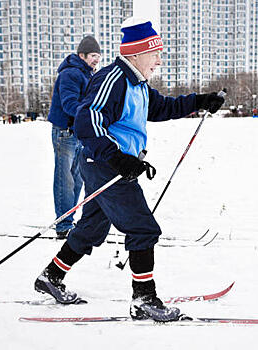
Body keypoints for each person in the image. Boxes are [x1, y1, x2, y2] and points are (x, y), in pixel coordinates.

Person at [34, 18, 225, 322]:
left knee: (91, 228)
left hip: (108, 164)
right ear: (136, 54)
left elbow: (163, 108)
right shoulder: (114, 80)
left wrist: (201, 101)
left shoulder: (138, 85)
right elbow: (87, 120)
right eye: (155, 54)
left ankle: (50, 276)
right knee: (142, 227)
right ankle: (144, 299)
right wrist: (119, 158)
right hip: (106, 165)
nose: (159, 61)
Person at [47, 36, 102, 239]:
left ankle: (69, 218)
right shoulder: (71, 74)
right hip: (65, 133)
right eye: (93, 56)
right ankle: (63, 225)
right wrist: (90, 113)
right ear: (82, 55)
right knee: (65, 180)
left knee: (78, 179)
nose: (97, 59)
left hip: (78, 133)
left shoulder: (87, 74)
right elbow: (70, 103)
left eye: (98, 55)